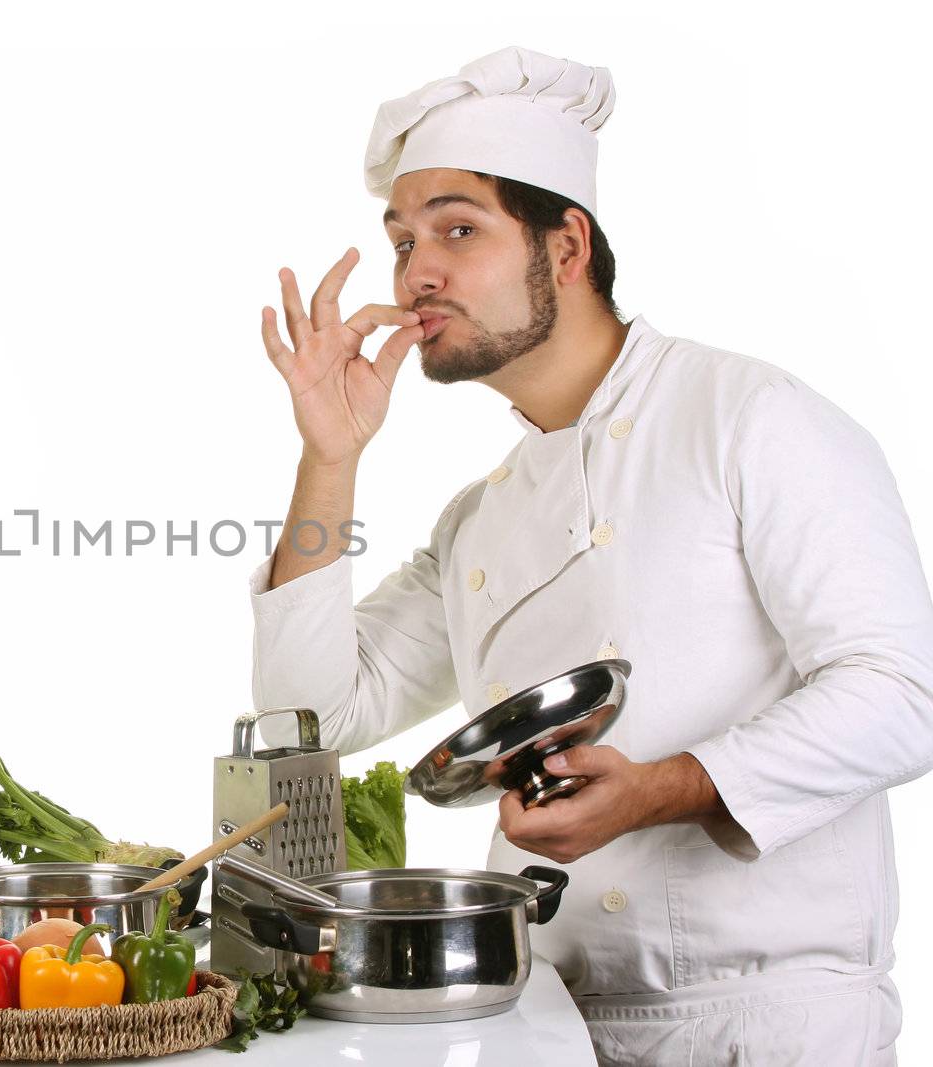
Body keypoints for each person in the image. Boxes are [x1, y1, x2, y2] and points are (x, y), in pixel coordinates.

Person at [247, 45, 933, 1066]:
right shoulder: (479, 517)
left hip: (764, 1023)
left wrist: (668, 786)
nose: (413, 273)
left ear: (565, 245)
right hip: (541, 1017)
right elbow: (308, 718)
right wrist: (329, 455)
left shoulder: (748, 417)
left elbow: (903, 692)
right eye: (400, 241)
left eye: (456, 229)